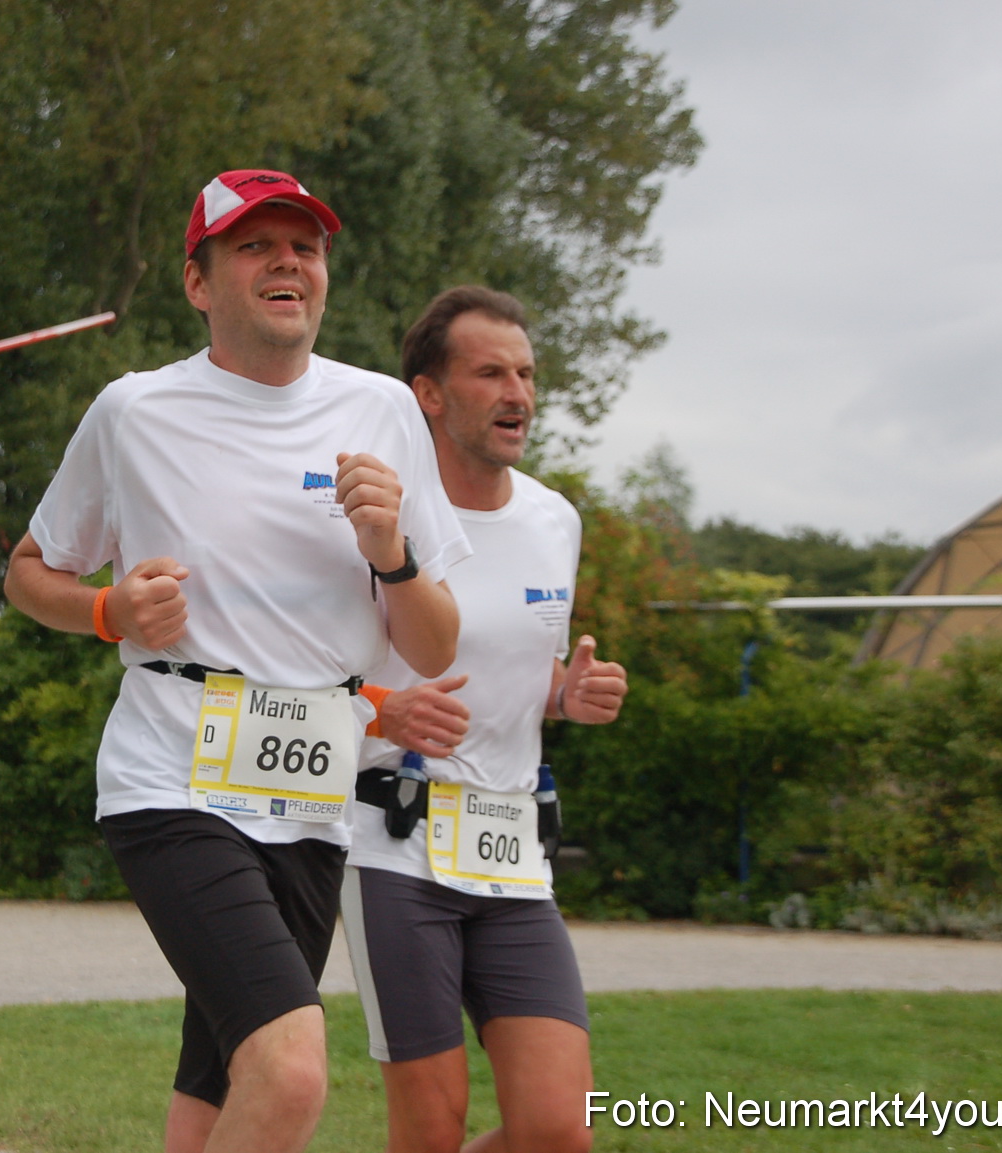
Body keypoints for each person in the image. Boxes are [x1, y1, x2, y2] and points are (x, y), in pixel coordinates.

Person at [4, 169, 469, 1153]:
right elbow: (28, 570)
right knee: (292, 1068)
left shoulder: (383, 411)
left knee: (219, 1087)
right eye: (256, 245)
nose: (288, 260)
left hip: (311, 791)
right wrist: (104, 608)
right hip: (169, 778)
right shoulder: (136, 412)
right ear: (198, 281)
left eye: (305, 245)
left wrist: (393, 552)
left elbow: (433, 645)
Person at [341, 286, 629, 1153]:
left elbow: (508, 669)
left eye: (528, 374)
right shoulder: (377, 518)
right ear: (429, 393)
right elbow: (302, 671)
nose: (519, 394)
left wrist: (561, 694)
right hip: (394, 846)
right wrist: (385, 706)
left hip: (511, 852)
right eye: (491, 372)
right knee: (430, 1130)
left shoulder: (554, 520)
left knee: (558, 1130)